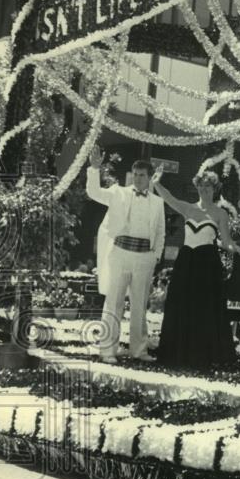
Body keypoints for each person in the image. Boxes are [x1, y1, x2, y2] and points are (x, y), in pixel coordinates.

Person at [151, 167, 240, 369]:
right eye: (201, 186)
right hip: (186, 261)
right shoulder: (188, 208)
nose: (204, 190)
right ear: (197, 188)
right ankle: (178, 353)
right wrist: (157, 183)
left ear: (215, 189)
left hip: (207, 264)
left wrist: (234, 247)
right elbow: (169, 199)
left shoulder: (220, 213)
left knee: (204, 308)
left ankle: (203, 354)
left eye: (208, 187)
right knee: (181, 305)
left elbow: (226, 241)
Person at [86, 147, 165, 363]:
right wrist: (94, 168)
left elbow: (160, 231)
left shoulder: (158, 203)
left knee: (140, 305)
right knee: (114, 303)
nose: (138, 179)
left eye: (143, 176)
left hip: (144, 257)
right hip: (120, 253)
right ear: (132, 175)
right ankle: (108, 351)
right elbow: (94, 193)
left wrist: (155, 256)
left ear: (150, 178)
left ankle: (139, 350)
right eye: (136, 175)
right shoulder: (117, 192)